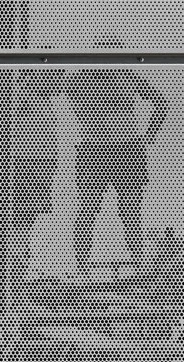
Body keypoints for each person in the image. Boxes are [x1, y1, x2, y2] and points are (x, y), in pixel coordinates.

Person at [66, 37, 169, 274]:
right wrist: (90, 120)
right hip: (94, 149)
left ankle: (140, 266)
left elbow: (162, 103)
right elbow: (71, 99)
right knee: (89, 208)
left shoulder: (127, 75)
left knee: (130, 210)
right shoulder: (81, 78)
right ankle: (82, 269)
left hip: (127, 148)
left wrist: (148, 137)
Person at [11, 67, 65, 273]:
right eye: (52, 75)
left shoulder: (46, 101)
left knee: (31, 213)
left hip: (42, 163)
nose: (56, 82)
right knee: (21, 212)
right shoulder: (24, 93)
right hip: (25, 162)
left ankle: (21, 257)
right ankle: (16, 258)